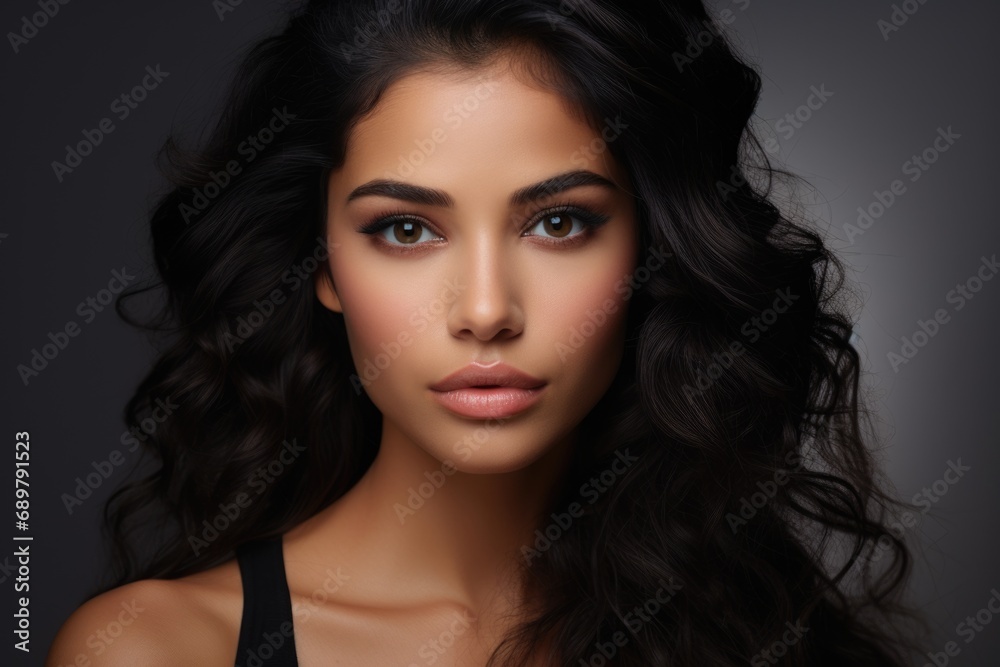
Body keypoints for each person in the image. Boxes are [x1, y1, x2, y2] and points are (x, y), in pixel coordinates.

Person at [46, 0, 929, 665]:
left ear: (651, 252)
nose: (483, 309)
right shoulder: (156, 650)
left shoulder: (764, 637)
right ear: (322, 266)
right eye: (404, 228)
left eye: (558, 224)